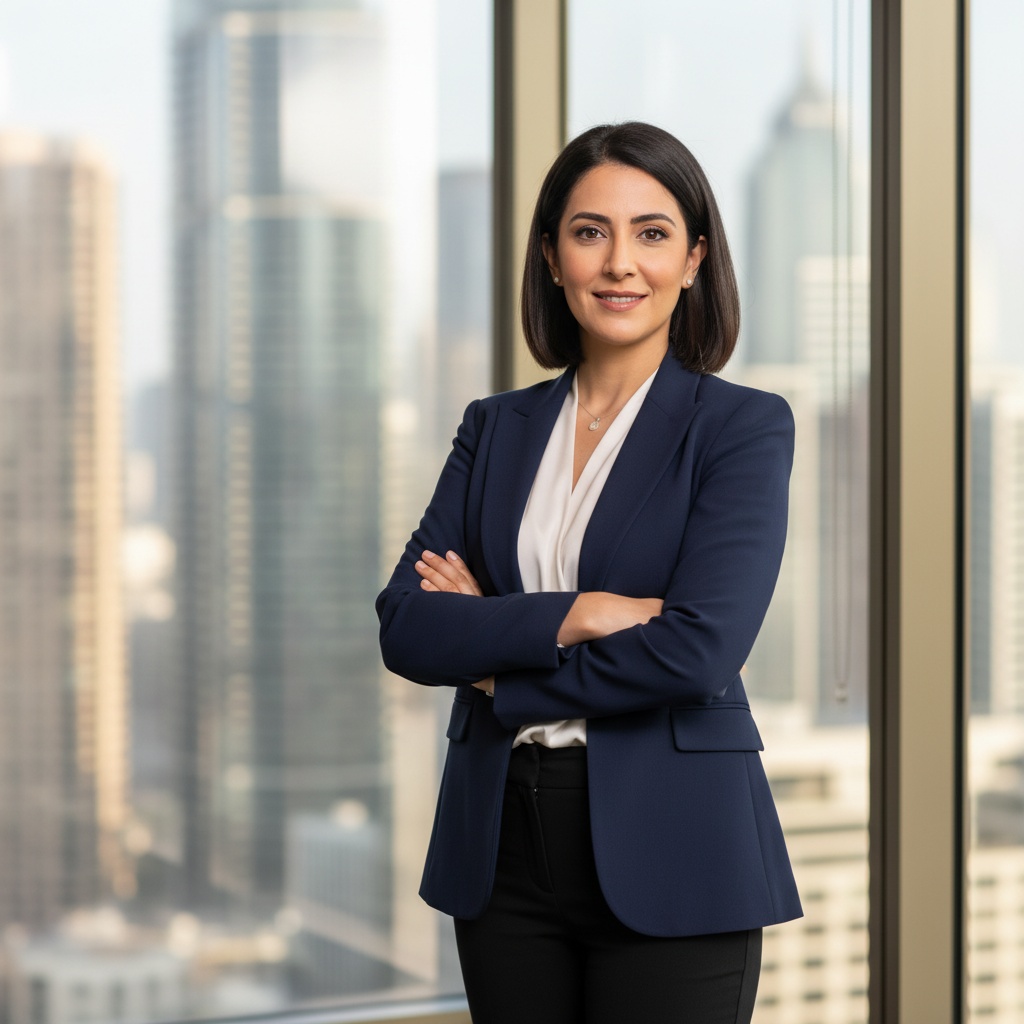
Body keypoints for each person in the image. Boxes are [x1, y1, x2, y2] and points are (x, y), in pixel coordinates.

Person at [376, 121, 801, 1024]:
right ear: (551, 255)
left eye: (651, 233)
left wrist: (500, 669)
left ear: (692, 260)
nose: (619, 264)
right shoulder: (495, 428)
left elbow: (698, 649)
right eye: (589, 231)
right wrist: (575, 615)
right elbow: (407, 624)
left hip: (675, 843)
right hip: (501, 849)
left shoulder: (741, 427)